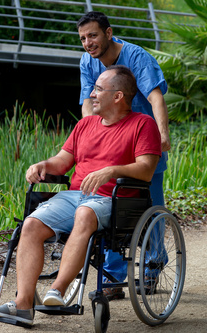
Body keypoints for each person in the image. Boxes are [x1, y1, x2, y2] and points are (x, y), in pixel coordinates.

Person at [0, 65, 162, 326]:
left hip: (113, 199)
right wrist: (43, 165)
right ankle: (23, 305)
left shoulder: (143, 124)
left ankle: (57, 290)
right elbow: (62, 161)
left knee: (85, 213)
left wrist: (110, 170)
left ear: (118, 96)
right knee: (31, 224)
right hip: (75, 195)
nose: (91, 94)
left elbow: (146, 170)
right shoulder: (85, 124)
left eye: (99, 89)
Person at [77, 11, 170, 300]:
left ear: (108, 32)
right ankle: (113, 276)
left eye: (93, 35)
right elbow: (87, 103)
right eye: (82, 38)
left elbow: (155, 97)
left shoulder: (136, 56)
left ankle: (153, 266)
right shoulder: (86, 61)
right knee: (107, 207)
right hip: (111, 143)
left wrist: (162, 135)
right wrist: (90, 137)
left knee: (148, 206)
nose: (88, 43)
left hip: (142, 142)